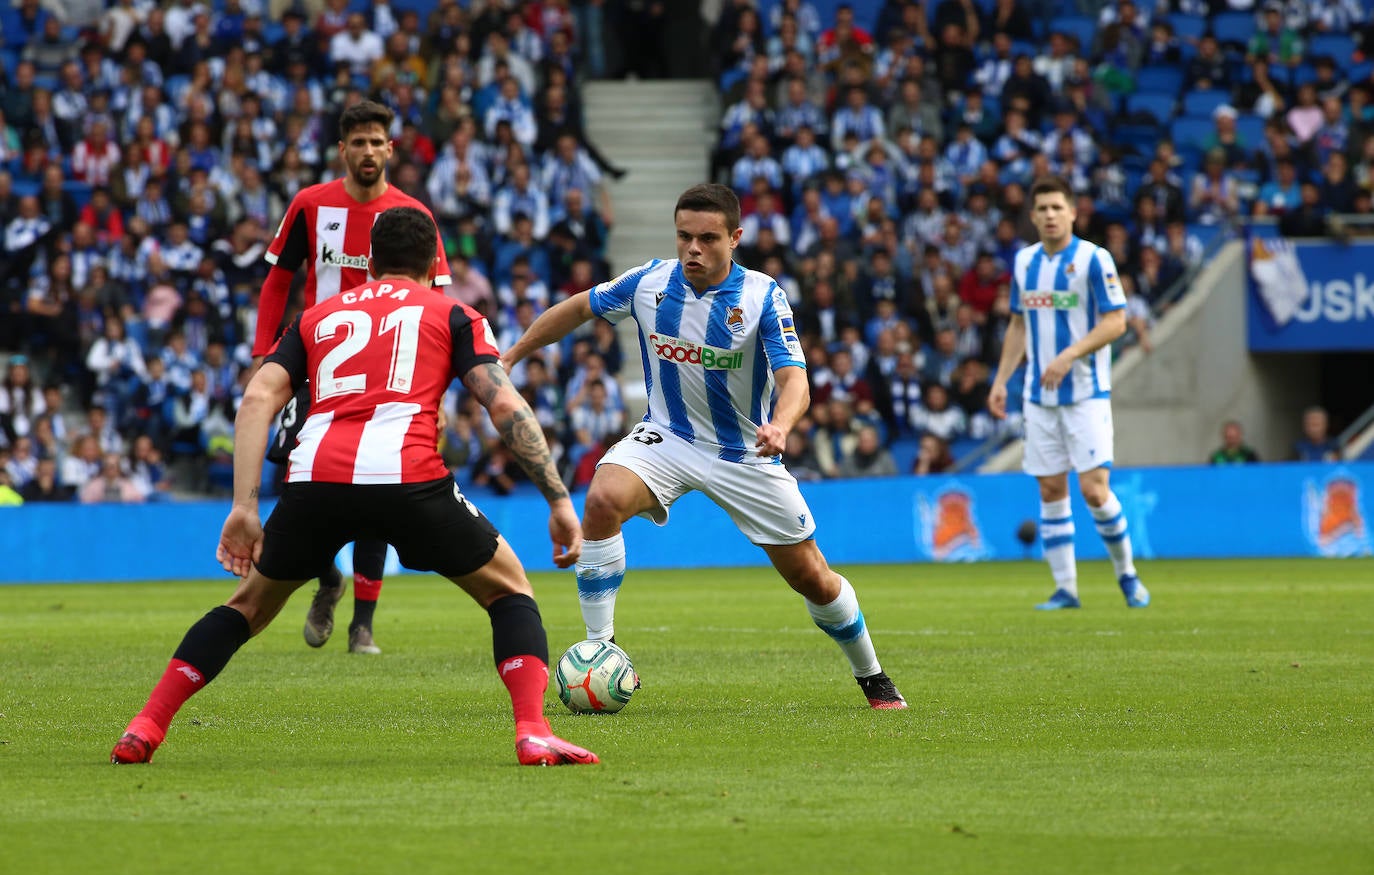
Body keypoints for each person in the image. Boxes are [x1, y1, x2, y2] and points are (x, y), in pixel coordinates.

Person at [111, 206, 597, 767]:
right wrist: (559, 499)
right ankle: (533, 732)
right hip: (410, 479)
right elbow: (504, 404)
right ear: (433, 261)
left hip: (315, 478)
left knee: (246, 609)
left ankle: (145, 726)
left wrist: (244, 506)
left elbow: (256, 398)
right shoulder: (456, 314)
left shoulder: (317, 316)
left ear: (368, 260)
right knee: (511, 593)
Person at [500, 184, 907, 710]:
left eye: (708, 238)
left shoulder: (763, 296)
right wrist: (509, 358)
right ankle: (602, 647)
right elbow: (579, 308)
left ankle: (871, 675)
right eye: (685, 237)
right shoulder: (649, 282)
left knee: (812, 576)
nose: (693, 248)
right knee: (601, 500)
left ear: (735, 238)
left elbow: (795, 381)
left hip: (745, 453)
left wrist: (781, 426)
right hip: (666, 436)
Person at [253, 100, 453, 655]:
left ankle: (363, 623)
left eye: (377, 142)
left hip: (389, 376)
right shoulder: (311, 205)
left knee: (375, 487)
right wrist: (265, 355)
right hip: (319, 368)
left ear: (392, 148)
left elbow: (433, 300)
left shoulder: (413, 216)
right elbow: (278, 281)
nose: (368, 151)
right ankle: (327, 579)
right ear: (342, 150)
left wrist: (431, 380)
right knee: (293, 483)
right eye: (357, 142)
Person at [988, 175, 1151, 611]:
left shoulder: (1095, 260)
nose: (1049, 215)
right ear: (1032, 216)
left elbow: (1117, 321)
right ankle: (1066, 589)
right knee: (1050, 490)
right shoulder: (1024, 264)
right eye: (1041, 209)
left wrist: (1069, 355)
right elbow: (1019, 325)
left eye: (1057, 207)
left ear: (1073, 212)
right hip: (1038, 399)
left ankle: (1127, 575)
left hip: (1085, 394)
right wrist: (1002, 380)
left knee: (1095, 491)